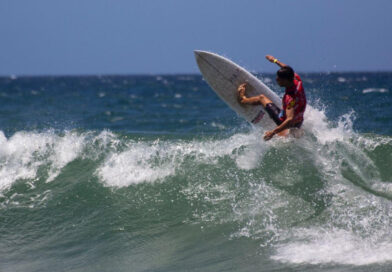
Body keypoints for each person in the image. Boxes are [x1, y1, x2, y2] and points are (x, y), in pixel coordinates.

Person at [237, 55, 307, 141]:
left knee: (261, 98)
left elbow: (289, 119)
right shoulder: (297, 80)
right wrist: (274, 60)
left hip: (287, 123)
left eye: (279, 79)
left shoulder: (290, 99)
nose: (276, 79)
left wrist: (272, 132)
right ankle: (284, 133)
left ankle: (243, 99)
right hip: (299, 123)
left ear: (286, 80)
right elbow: (287, 68)